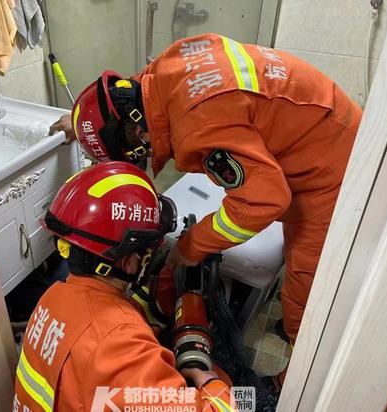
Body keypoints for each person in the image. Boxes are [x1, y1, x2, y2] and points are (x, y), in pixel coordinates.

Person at [49, 33, 362, 383]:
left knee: (305, 287)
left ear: (138, 133)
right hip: (323, 116)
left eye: (140, 151)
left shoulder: (199, 124)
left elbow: (264, 201)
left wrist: (191, 245)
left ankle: (297, 382)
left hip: (332, 168)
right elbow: (123, 99)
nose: (147, 154)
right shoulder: (163, 73)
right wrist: (83, 124)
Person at [13, 161, 234, 411]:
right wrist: (211, 382)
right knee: (226, 382)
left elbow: (103, 328)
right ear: (129, 261)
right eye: (150, 250)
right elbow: (114, 342)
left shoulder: (53, 297)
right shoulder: (118, 347)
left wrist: (151, 308)